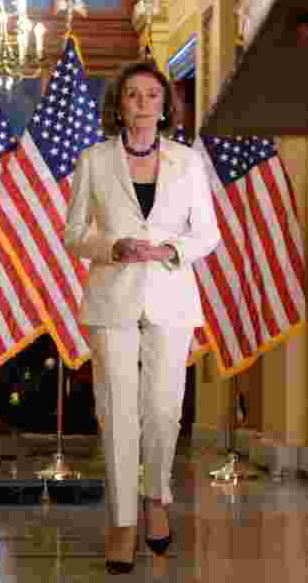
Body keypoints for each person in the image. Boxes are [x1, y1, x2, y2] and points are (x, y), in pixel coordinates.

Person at [64, 61, 219, 574]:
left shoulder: (187, 162)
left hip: (172, 298)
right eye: (133, 94)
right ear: (120, 104)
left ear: (164, 105)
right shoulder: (94, 160)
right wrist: (113, 245)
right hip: (112, 299)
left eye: (152, 94)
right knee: (117, 412)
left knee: (162, 410)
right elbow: (74, 233)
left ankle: (156, 499)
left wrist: (170, 249)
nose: (143, 103)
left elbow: (207, 233)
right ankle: (122, 522)